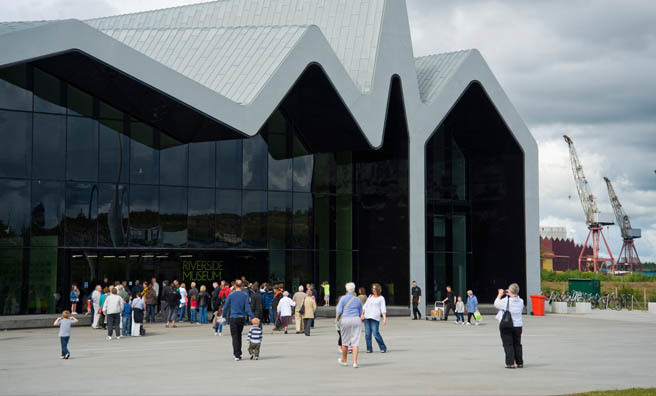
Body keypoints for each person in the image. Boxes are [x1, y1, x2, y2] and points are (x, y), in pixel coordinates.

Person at [494, 283, 524, 369]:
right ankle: (520, 362)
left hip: (507, 325)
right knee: (517, 344)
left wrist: (500, 294)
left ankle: (510, 363)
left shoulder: (506, 300)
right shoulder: (521, 301)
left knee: (508, 344)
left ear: (510, 291)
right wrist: (510, 293)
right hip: (518, 325)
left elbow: (496, 304)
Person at [222, 280, 254, 361]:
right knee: (239, 335)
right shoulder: (245, 295)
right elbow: (247, 307)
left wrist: (223, 315)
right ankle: (239, 352)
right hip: (241, 318)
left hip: (233, 317)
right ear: (242, 286)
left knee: (235, 336)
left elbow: (226, 306)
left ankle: (237, 354)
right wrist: (252, 316)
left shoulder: (231, 295)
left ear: (235, 286)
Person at [337, 282, 363, 368]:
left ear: (347, 290)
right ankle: (355, 362)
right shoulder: (357, 299)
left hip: (346, 319)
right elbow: (360, 312)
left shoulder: (343, 298)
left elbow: (339, 310)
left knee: (345, 341)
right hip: (356, 320)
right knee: (355, 342)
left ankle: (344, 360)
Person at [362, 283, 387, 353]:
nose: (373, 290)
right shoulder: (370, 296)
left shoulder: (381, 298)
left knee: (376, 333)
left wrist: (384, 318)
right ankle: (369, 348)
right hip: (367, 317)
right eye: (372, 288)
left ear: (378, 289)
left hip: (375, 318)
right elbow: (365, 306)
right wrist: (362, 314)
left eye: (374, 288)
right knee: (367, 334)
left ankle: (383, 347)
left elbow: (383, 308)